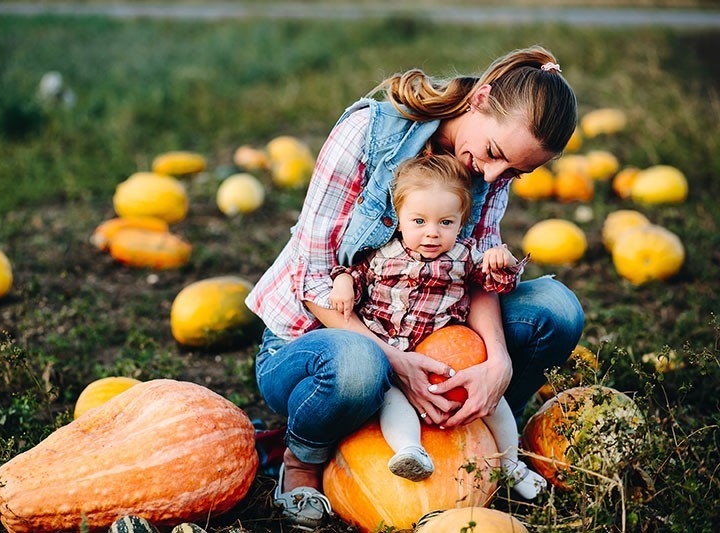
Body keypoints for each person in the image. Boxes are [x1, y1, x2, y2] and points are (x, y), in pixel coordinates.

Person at [246, 45, 582, 529]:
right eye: (494, 156)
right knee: (361, 366)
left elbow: (477, 279)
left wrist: (498, 362)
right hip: (319, 339)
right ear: (480, 99)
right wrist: (394, 360)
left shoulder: (491, 166)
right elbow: (314, 277)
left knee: (557, 309)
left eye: (514, 173)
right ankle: (303, 460)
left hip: (423, 324)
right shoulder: (368, 133)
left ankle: (483, 440)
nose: (491, 176)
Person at [328, 153, 546, 498]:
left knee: (496, 404)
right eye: (419, 221)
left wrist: (502, 263)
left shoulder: (465, 256)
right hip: (395, 358)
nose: (431, 233)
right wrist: (343, 282)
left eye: (445, 223)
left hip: (446, 360)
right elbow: (353, 275)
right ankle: (410, 450)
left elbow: (494, 285)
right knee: (391, 400)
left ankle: (510, 463)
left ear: (461, 223)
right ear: (398, 220)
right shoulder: (382, 255)